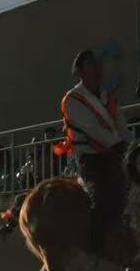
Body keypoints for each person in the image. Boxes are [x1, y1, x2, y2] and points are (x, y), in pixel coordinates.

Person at [54, 48, 128, 255]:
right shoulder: (73, 99)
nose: (98, 69)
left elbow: (122, 126)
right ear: (80, 71)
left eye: (99, 65)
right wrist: (119, 145)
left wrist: (132, 145)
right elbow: (92, 129)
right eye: (92, 65)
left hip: (117, 154)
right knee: (103, 196)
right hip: (92, 160)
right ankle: (93, 247)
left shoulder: (108, 97)